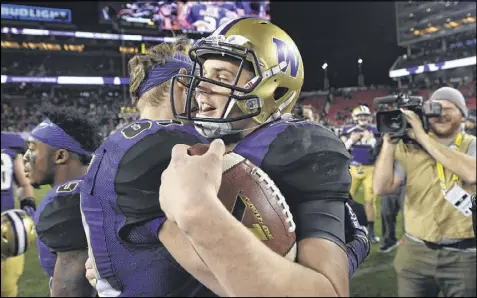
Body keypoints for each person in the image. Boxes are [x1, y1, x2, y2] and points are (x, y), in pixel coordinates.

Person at [83, 20, 369, 296]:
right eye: (203, 75)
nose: (202, 88)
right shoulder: (179, 148)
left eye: (220, 77)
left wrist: (199, 211)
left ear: (275, 88)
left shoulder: (296, 146)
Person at [373, 86, 476, 297]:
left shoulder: (472, 144)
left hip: (464, 256)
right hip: (415, 252)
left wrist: (421, 136)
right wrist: (389, 143)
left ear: (463, 115)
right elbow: (381, 187)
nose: (441, 113)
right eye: (435, 108)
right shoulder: (409, 148)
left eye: (449, 108)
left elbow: (472, 173)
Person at [23, 107, 101, 297]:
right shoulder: (92, 187)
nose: (25, 156)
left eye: (32, 148)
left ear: (60, 156)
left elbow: (70, 290)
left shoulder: (68, 201)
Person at [1, 132, 36, 297]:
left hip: (6, 229)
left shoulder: (10, 143)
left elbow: (23, 182)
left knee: (7, 287)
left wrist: (28, 206)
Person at [341, 105, 380, 243]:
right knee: (345, 201)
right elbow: (341, 149)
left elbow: (380, 150)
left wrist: (371, 140)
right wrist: (351, 140)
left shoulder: (375, 131)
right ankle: (346, 229)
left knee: (370, 201)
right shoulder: (348, 131)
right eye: (361, 116)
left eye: (365, 116)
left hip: (370, 169)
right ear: (355, 117)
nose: (363, 118)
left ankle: (371, 231)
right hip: (353, 168)